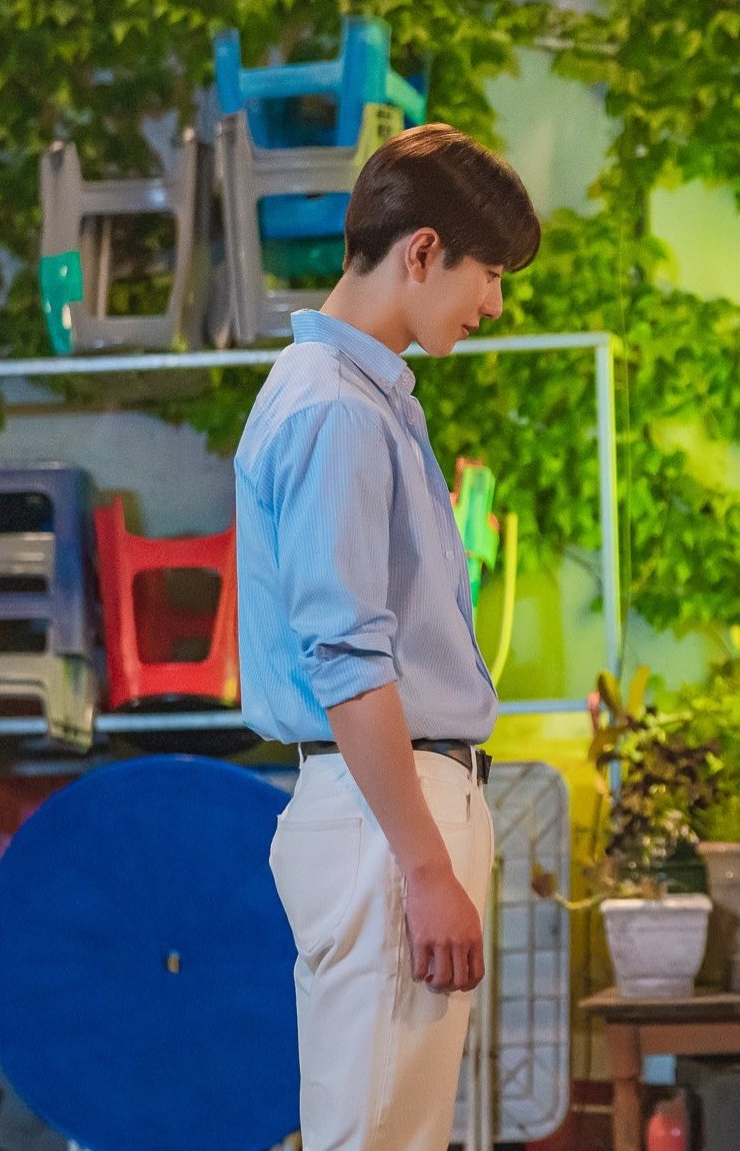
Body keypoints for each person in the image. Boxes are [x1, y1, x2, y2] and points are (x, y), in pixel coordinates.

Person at [235, 123, 539, 1151]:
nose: (492, 303)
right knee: (374, 1136)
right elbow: (348, 660)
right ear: (422, 252)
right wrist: (423, 863)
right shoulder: (336, 410)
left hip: (385, 805)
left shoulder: (354, 397)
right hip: (387, 810)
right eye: (488, 273)